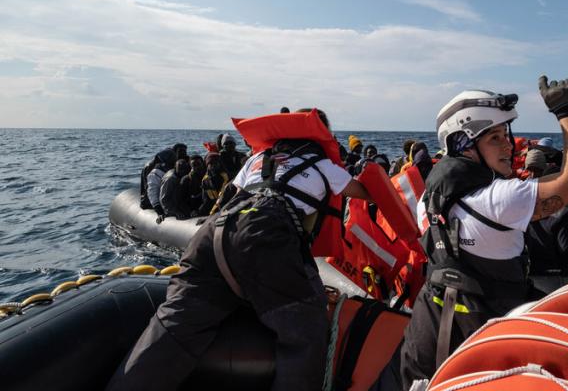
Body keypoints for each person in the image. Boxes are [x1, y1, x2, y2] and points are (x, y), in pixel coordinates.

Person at [106, 109, 371, 391]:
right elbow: (364, 191)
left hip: (213, 234)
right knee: (305, 333)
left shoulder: (258, 158)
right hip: (267, 235)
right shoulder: (323, 165)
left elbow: (228, 198)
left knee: (175, 325)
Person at [400, 76, 568, 388]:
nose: (508, 145)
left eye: (506, 134)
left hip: (429, 332)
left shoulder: (430, 196)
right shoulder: (498, 199)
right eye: (494, 138)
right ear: (464, 144)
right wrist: (566, 110)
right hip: (481, 342)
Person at [139, 143, 186, 209]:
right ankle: (146, 202)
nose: (183, 153)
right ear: (175, 150)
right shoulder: (169, 154)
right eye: (180, 151)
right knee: (149, 185)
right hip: (150, 169)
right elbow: (157, 158)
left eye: (184, 151)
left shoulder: (179, 158)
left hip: (153, 168)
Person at [146, 148, 177, 220]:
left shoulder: (176, 170)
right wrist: (159, 211)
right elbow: (152, 192)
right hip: (164, 204)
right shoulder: (156, 173)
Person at [197, 150, 229, 216]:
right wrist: (199, 212)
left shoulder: (227, 177)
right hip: (213, 206)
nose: (213, 166)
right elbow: (206, 200)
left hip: (226, 205)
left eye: (216, 163)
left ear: (220, 164)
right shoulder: (205, 180)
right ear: (207, 165)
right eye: (211, 164)